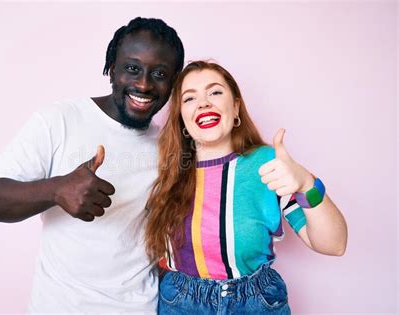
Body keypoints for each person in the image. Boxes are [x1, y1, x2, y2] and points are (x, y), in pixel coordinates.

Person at [0, 17, 184, 313]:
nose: (143, 84)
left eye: (160, 74)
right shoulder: (59, 120)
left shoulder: (171, 146)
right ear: (111, 68)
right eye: (132, 68)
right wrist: (56, 189)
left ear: (173, 83)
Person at [145, 61, 347, 314]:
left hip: (255, 303)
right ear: (181, 117)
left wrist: (307, 183)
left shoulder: (268, 164)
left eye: (215, 92)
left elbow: (334, 244)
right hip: (180, 302)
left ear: (236, 106)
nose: (204, 103)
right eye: (189, 98)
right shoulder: (164, 169)